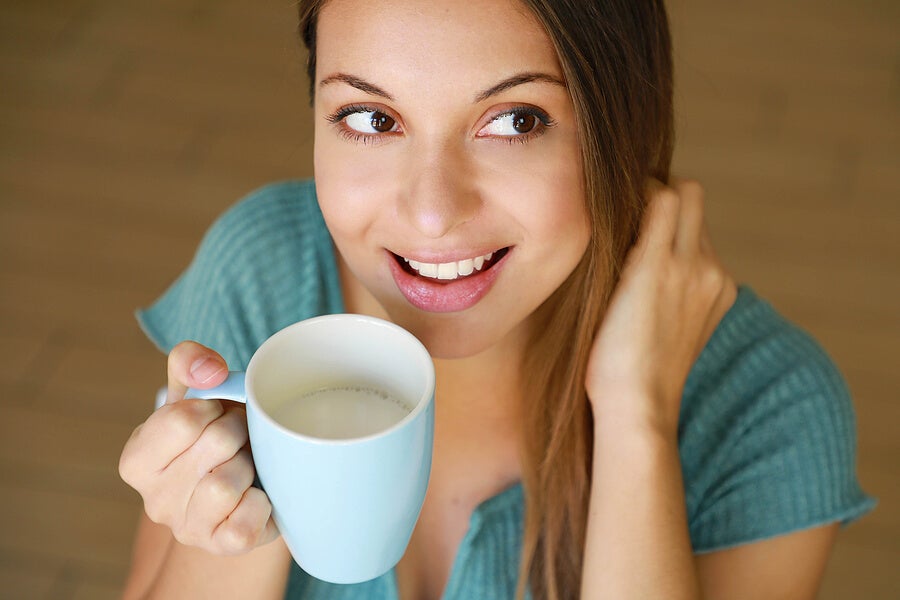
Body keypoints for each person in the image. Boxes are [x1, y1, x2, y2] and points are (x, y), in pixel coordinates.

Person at [117, 0, 875, 598]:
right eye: (372, 119)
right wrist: (229, 517)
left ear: (621, 126)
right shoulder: (265, 268)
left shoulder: (770, 407)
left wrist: (635, 417)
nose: (432, 213)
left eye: (515, 121)